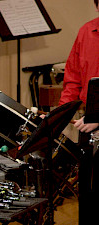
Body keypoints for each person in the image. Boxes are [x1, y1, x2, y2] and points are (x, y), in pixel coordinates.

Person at [58, 1, 99, 224]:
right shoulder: (86, 31)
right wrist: (60, 115)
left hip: (95, 121)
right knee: (87, 196)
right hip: (88, 125)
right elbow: (72, 79)